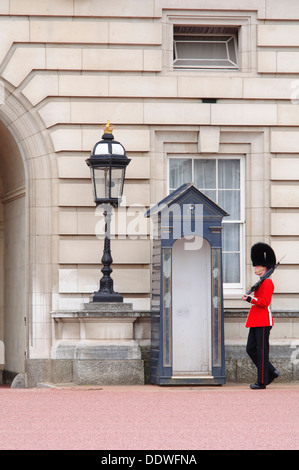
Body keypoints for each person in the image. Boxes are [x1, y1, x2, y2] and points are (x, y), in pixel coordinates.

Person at [242, 242, 280, 389]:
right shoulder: (262, 282)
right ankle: (271, 371)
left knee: (262, 351)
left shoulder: (268, 283)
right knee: (250, 349)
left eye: (257, 266)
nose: (255, 268)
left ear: (264, 267)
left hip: (263, 320)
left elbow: (264, 302)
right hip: (256, 320)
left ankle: (262, 381)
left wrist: (250, 299)